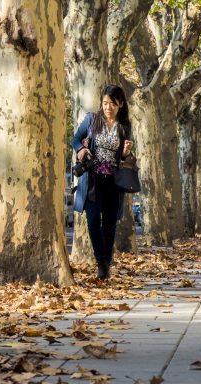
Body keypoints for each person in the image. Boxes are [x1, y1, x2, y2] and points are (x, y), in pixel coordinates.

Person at [70, 85, 134, 280]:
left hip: (114, 182)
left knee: (109, 224)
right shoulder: (92, 119)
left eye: (113, 104)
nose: (108, 107)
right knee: (92, 221)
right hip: (92, 180)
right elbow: (75, 139)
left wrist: (125, 153)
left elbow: (125, 156)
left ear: (121, 105)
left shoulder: (125, 125)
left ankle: (105, 263)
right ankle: (102, 261)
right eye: (105, 103)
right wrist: (80, 149)